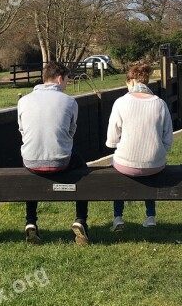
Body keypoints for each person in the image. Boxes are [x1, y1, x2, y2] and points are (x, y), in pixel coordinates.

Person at [18, 61, 90, 245]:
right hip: (61, 161)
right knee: (83, 168)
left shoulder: (23, 101)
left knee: (29, 172)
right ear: (59, 79)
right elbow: (71, 132)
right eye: (66, 80)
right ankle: (80, 219)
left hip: (31, 161)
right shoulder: (70, 101)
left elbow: (22, 131)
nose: (67, 84)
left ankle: (30, 221)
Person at [105, 61, 173, 232]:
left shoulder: (121, 102)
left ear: (130, 81)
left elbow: (111, 140)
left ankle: (118, 217)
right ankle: (150, 216)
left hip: (125, 165)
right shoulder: (160, 103)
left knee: (117, 166)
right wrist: (158, 151)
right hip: (155, 164)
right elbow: (168, 139)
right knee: (149, 169)